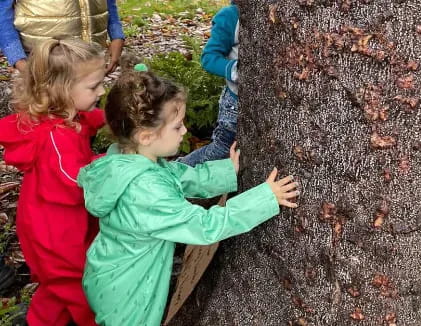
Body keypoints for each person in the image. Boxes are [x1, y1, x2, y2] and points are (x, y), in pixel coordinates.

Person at [78, 67, 299, 326]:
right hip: (130, 289)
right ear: (146, 136)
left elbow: (181, 177)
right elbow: (204, 227)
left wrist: (227, 171)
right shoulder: (145, 191)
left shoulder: (130, 160)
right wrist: (263, 199)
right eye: (177, 126)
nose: (185, 131)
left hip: (113, 270)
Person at [0, 39, 107, 326]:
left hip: (53, 225)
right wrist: (110, 165)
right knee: (82, 289)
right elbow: (76, 180)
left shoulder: (66, 117)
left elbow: (90, 119)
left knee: (56, 291)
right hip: (54, 235)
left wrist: (114, 117)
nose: (102, 91)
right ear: (62, 90)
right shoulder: (57, 138)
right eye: (93, 86)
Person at [178, 0, 239, 166]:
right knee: (222, 149)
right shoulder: (231, 16)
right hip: (235, 102)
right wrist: (235, 69)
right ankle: (180, 169)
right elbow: (209, 58)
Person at [0, 0, 125, 73]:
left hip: (90, 59)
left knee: (88, 113)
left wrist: (117, 35)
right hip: (44, 65)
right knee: (45, 113)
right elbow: (2, 10)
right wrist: (18, 60)